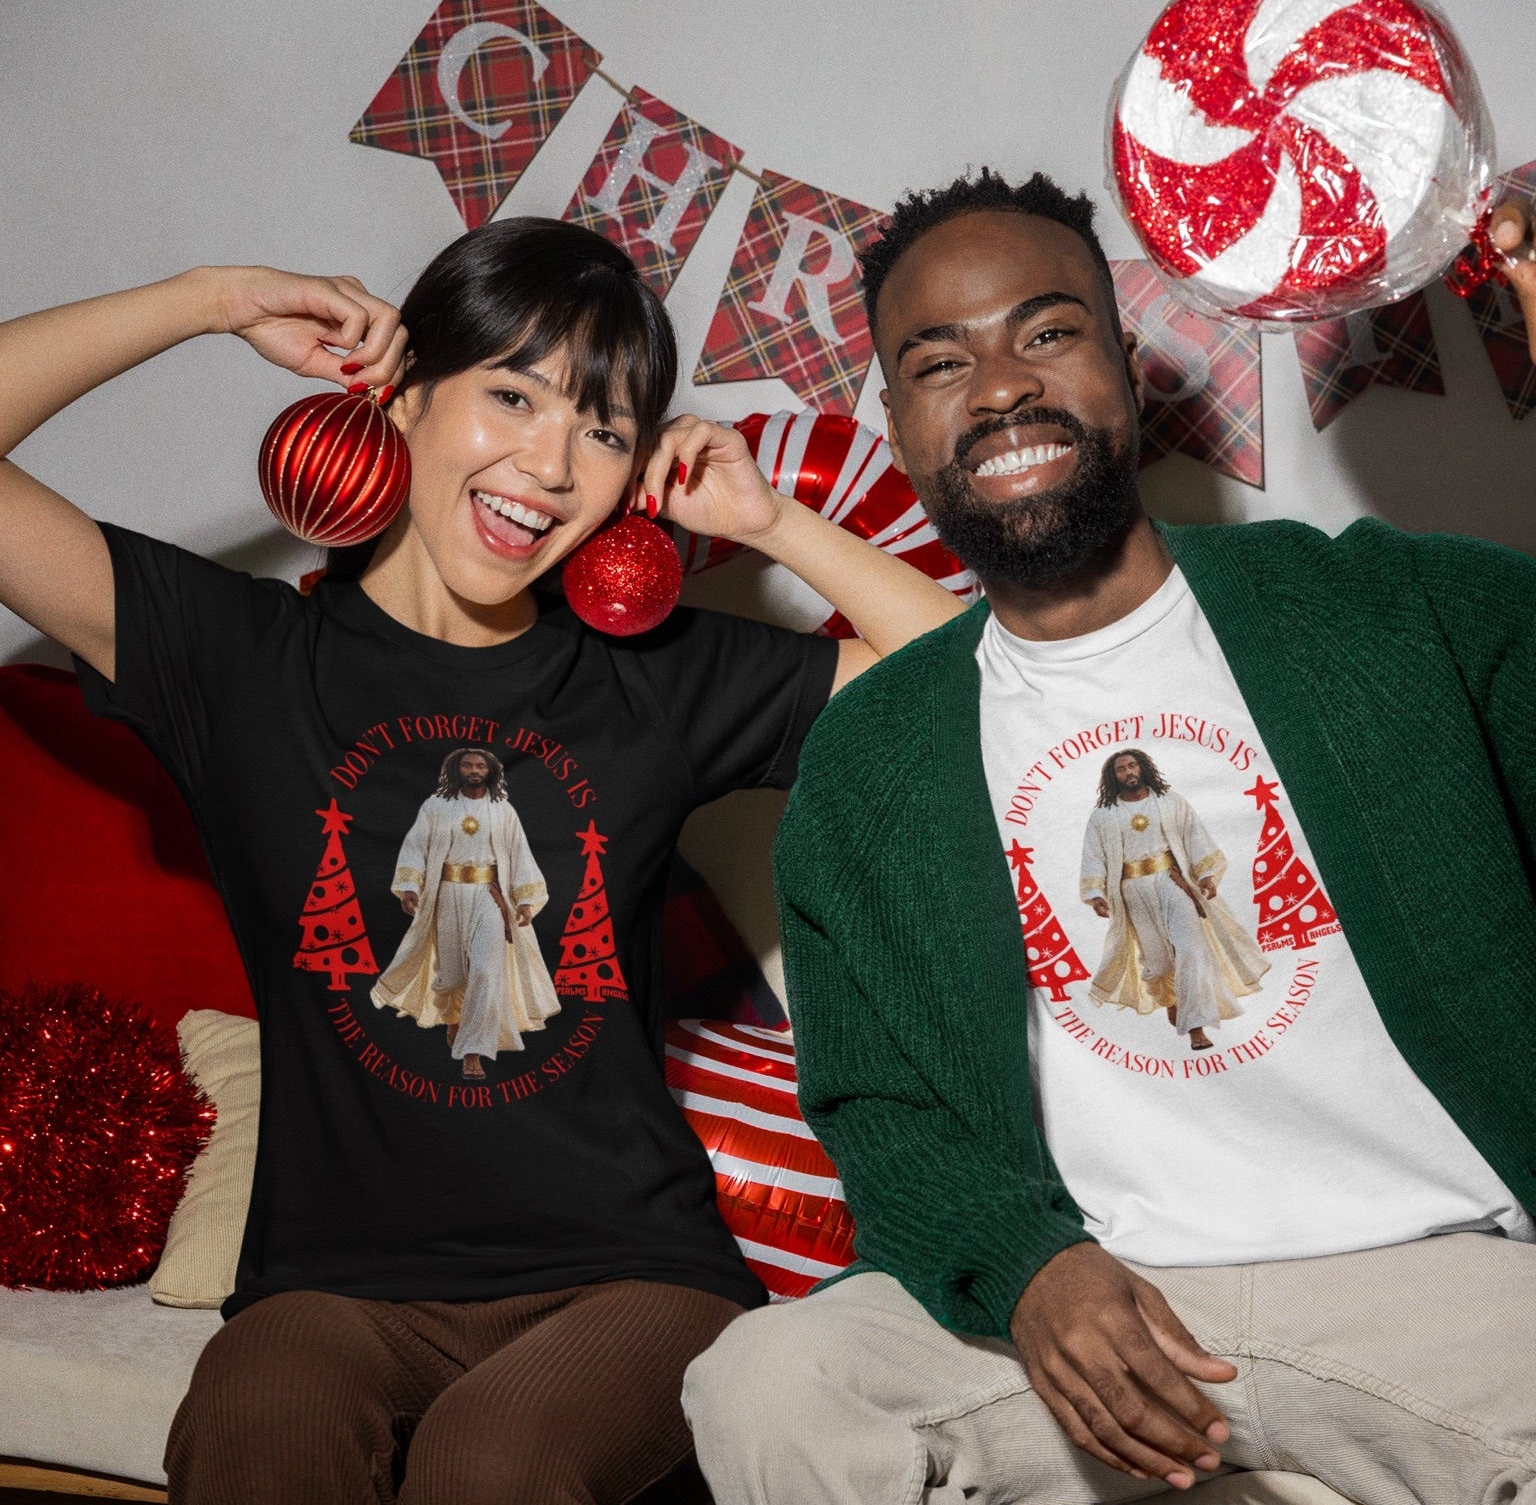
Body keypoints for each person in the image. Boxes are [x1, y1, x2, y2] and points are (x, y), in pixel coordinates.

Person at [0, 216, 963, 1504]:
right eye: (512, 394)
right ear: (398, 395)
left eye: (603, 431)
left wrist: (774, 521)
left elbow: (970, 694)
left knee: (491, 1466)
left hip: (630, 1277)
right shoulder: (239, 664)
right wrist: (210, 295)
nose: (550, 463)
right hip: (333, 1287)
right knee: (254, 1423)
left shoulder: (650, 683)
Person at [683, 170, 1536, 1503]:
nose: (1002, 388)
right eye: (940, 361)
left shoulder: (1396, 612)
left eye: (1046, 333)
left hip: (1434, 1270)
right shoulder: (874, 749)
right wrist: (1025, 1265)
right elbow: (877, 1105)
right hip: (1097, 1296)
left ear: (1129, 368)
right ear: (902, 424)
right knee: (773, 1383)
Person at [372, 746, 559, 1081]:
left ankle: (473, 1053)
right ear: (456, 770)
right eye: (468, 764)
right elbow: (416, 846)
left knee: (487, 972)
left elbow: (519, 854)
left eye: (480, 765)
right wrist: (410, 887)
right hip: (446, 895)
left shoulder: (503, 809)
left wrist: (526, 900)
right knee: (454, 976)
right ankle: (454, 1019)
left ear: (490, 772)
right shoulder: (435, 807)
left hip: (489, 896)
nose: (474, 769)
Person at [1081, 747, 1267, 1051]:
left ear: (1143, 768)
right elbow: (1093, 856)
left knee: (1192, 950)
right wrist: (1096, 895)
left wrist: (1206, 875)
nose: (1128, 772)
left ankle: (1196, 1027)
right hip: (1132, 891)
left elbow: (1195, 836)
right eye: (1121, 769)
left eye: (1132, 766)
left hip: (1172, 882)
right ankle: (1172, 996)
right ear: (1113, 777)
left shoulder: (1170, 803)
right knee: (1159, 963)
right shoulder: (1103, 816)